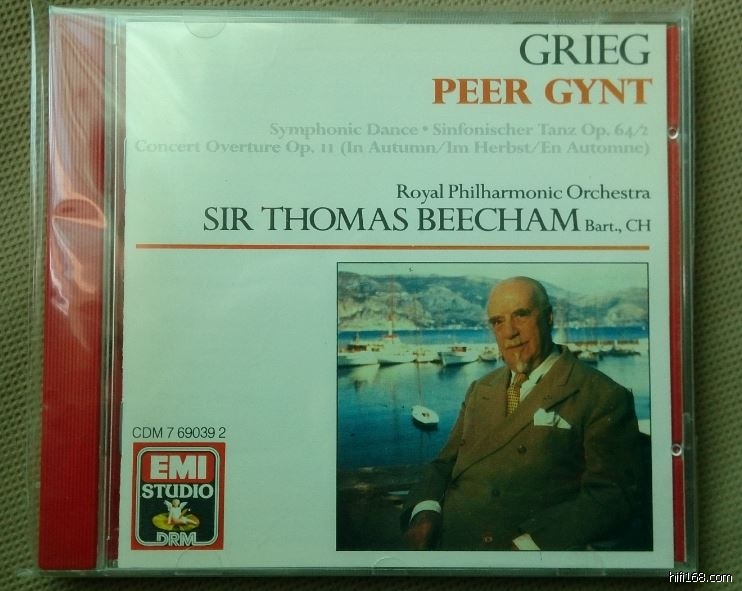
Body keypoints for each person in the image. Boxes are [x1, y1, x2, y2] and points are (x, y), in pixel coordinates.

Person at [402, 276, 646, 551]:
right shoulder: (480, 388)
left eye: (521, 315)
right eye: (498, 321)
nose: (509, 332)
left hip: (518, 550)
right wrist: (424, 512)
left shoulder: (602, 395)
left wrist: (530, 546)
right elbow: (443, 464)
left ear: (549, 317)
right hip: (446, 540)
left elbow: (612, 495)